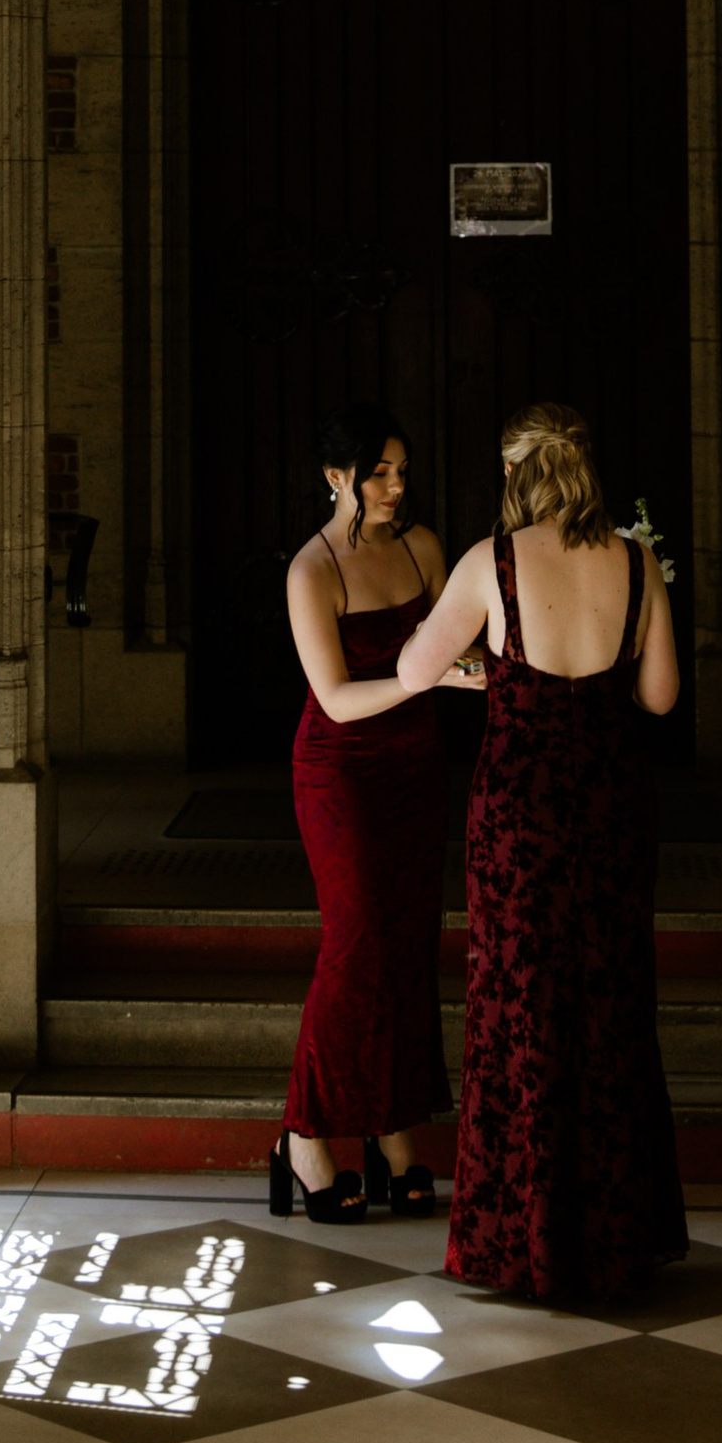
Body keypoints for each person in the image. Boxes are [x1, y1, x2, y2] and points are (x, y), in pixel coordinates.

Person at [396, 398, 686, 1300]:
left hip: (519, 812)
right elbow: (661, 696)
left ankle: (523, 1240)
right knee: (612, 1003)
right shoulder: (636, 562)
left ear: (516, 472)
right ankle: (616, 1237)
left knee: (518, 1006)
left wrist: (483, 674)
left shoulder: (493, 562)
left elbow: (411, 670)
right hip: (611, 806)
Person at [272, 402, 472, 1223]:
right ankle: (303, 1136)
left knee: (408, 945)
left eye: (401, 470)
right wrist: (429, 676)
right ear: (336, 476)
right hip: (341, 770)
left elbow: (464, 644)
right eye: (378, 472)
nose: (395, 485)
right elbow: (336, 697)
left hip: (418, 766)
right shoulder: (310, 571)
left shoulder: (424, 547)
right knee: (356, 945)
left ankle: (393, 1128)